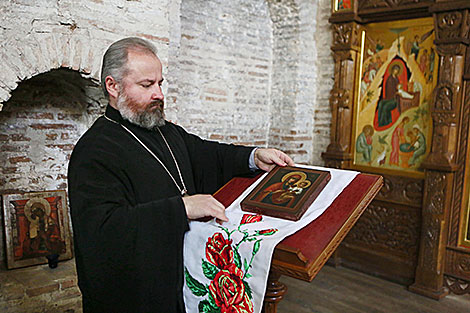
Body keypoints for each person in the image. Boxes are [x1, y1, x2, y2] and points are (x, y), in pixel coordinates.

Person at [67, 37, 294, 313]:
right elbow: (103, 230)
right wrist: (181, 208)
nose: (159, 94)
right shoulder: (94, 150)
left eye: (160, 83)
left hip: (180, 281)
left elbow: (209, 156)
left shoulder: (165, 131)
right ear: (112, 87)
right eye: (147, 85)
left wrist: (253, 156)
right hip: (134, 298)